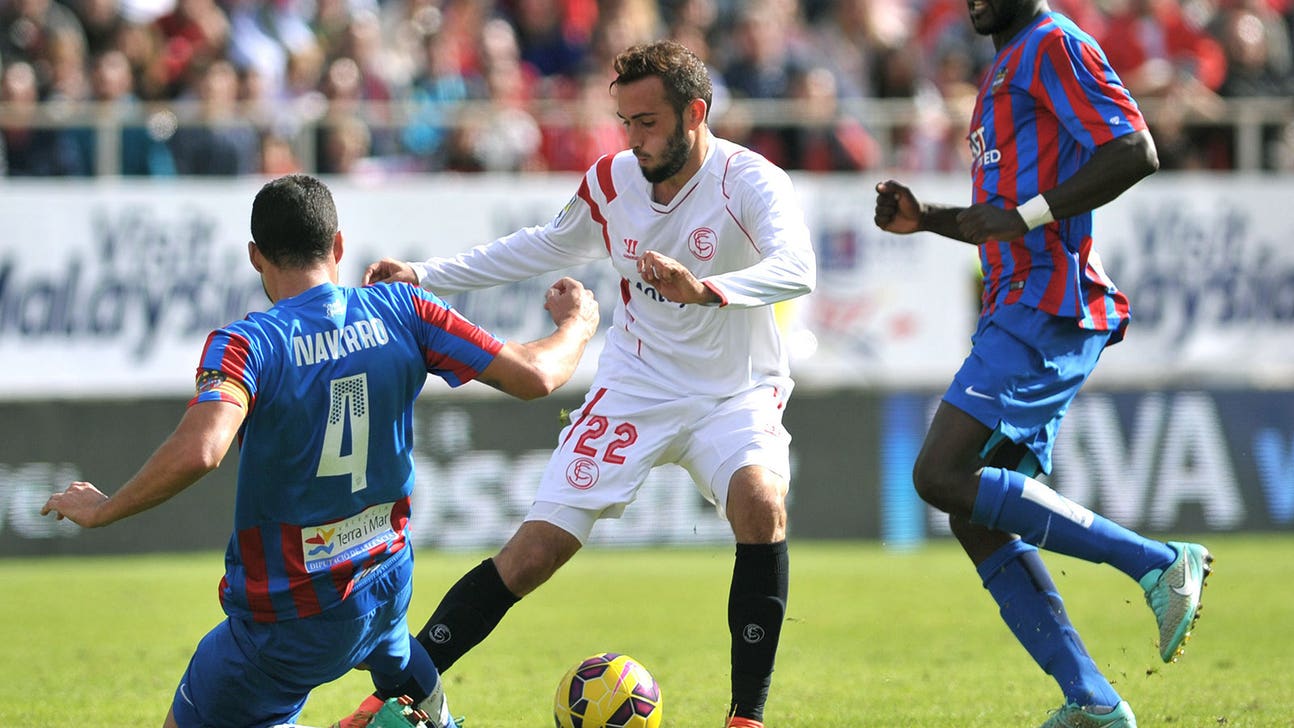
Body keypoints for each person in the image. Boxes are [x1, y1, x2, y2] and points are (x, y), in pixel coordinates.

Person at [351, 39, 816, 728]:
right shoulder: (611, 182)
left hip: (734, 391)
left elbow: (797, 269)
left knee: (761, 505)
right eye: (624, 121)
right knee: (534, 552)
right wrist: (426, 274)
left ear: (696, 111)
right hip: (637, 386)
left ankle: (745, 717)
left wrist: (707, 290)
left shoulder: (749, 182)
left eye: (647, 122)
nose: (632, 139)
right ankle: (390, 695)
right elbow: (540, 244)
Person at [41, 174, 599, 728]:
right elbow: (536, 375)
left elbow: (203, 449)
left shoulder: (246, 344)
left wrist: (104, 507)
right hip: (384, 588)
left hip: (285, 621)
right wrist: (578, 324)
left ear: (257, 257)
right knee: (397, 653)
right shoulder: (406, 310)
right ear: (338, 245)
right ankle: (430, 715)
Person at [873, 2, 1211, 726]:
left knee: (938, 473)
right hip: (1013, 302)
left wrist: (1026, 216)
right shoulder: (1006, 68)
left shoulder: (1054, 44)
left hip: (1046, 302)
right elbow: (997, 219)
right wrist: (926, 217)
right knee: (970, 511)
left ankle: (1156, 561)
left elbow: (1134, 150)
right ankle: (1092, 700)